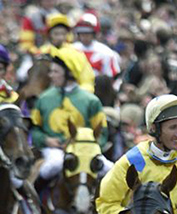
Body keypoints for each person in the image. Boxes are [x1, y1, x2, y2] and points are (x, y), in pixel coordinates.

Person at [31, 48, 111, 192]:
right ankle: (33, 202)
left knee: (111, 170)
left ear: (69, 73)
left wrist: (87, 146)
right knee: (54, 165)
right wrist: (46, 140)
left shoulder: (91, 100)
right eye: (51, 71)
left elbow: (103, 133)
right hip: (54, 150)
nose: (51, 75)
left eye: (55, 72)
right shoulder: (44, 98)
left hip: (86, 151)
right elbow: (34, 129)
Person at [39, 13, 95, 93]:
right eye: (56, 34)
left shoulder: (76, 53)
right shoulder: (42, 53)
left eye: (63, 34)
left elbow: (86, 79)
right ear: (49, 35)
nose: (60, 37)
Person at [73, 13, 121, 79]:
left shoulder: (106, 52)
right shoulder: (72, 49)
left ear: (94, 34)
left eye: (87, 34)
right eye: (81, 34)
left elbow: (111, 76)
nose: (84, 37)